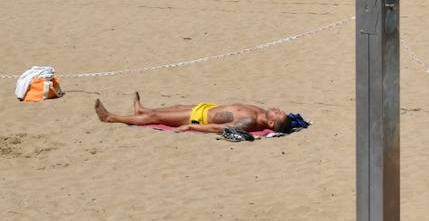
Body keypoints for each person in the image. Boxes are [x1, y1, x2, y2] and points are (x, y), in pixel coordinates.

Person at [95, 93, 292, 134]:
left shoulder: (250, 122)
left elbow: (219, 128)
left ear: (271, 124)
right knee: (175, 107)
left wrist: (191, 127)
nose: (277, 109)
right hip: (207, 108)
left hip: (199, 117)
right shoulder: (261, 113)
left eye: (278, 114)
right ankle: (141, 110)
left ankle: (111, 118)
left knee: (155, 119)